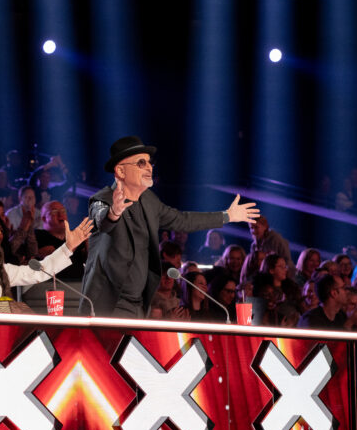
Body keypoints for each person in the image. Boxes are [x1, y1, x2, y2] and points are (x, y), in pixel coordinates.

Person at [80, 136, 259, 318]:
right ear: (121, 171)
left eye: (150, 163)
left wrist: (227, 216)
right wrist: (114, 212)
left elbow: (182, 220)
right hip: (107, 305)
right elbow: (101, 219)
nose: (149, 167)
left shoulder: (149, 201)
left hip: (140, 305)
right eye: (141, 163)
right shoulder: (103, 199)